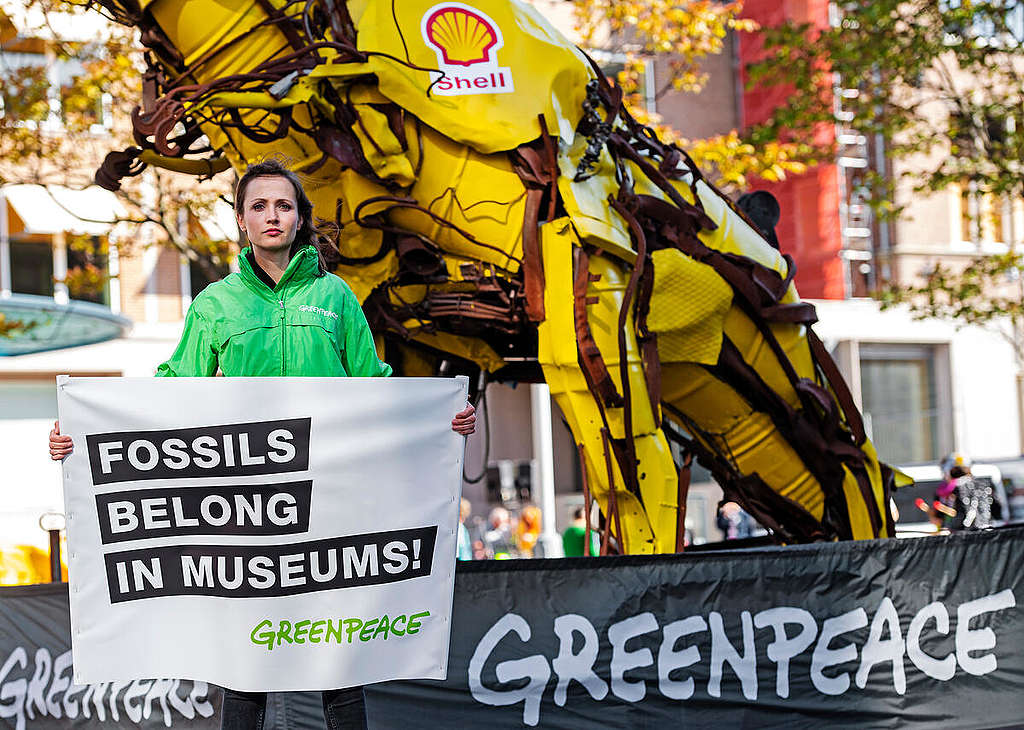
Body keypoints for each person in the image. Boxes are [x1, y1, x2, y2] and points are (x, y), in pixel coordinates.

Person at [48, 158, 476, 730]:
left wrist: (440, 422)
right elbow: (170, 395)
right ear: (242, 221)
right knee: (241, 672)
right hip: (245, 518)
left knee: (341, 668)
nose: (272, 215)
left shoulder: (336, 297)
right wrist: (86, 433)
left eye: (284, 205)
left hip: (333, 510)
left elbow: (376, 392)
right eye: (259, 206)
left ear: (300, 220)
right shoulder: (214, 306)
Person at [935, 453, 993, 531]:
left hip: (968, 534)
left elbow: (962, 517)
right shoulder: (982, 484)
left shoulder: (958, 487)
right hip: (985, 531)